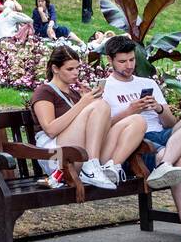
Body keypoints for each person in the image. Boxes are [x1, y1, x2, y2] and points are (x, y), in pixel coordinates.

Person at [100, 35, 181, 242]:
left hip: (164, 137)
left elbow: (171, 124)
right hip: (136, 144)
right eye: (122, 61)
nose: (128, 66)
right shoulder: (105, 88)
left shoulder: (148, 84)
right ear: (110, 60)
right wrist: (131, 111)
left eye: (131, 60)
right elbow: (102, 130)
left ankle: (165, 163)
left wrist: (158, 108)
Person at [29, 46, 143, 190]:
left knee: (137, 121)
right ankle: (92, 165)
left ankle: (111, 167)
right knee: (100, 105)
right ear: (55, 69)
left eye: (77, 68)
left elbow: (99, 129)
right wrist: (84, 104)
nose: (76, 73)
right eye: (70, 69)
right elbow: (50, 129)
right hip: (54, 156)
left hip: (79, 153)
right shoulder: (44, 91)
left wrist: (94, 105)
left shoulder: (75, 94)